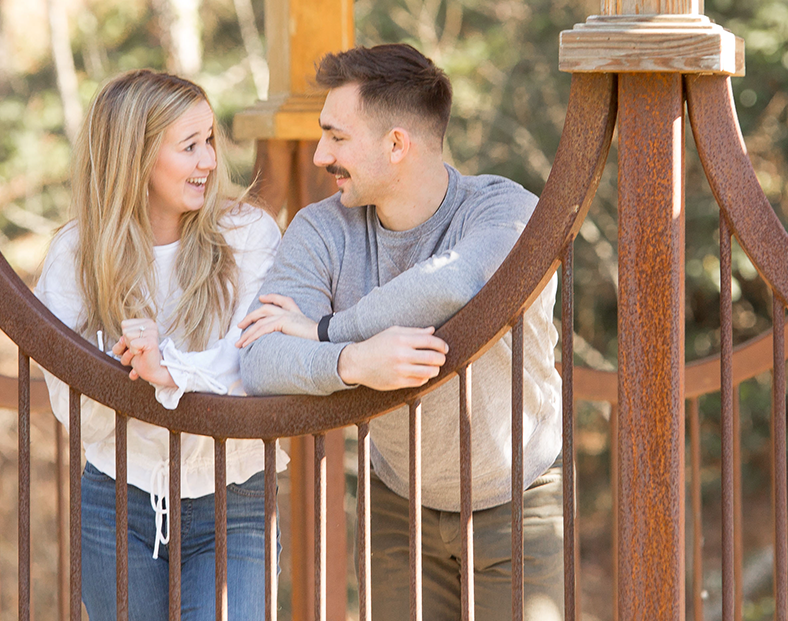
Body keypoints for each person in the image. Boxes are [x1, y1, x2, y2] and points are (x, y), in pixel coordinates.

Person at [236, 44, 563, 620]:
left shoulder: (506, 210)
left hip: (521, 498)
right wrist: (352, 363)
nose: (319, 155)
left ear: (396, 144)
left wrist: (329, 329)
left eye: (337, 137)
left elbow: (454, 282)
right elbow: (261, 360)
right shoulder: (321, 229)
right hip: (397, 505)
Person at [35, 70, 287, 621]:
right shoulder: (75, 255)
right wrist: (124, 372)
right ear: (136, 157)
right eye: (190, 146)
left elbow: (260, 360)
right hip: (116, 502)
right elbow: (74, 409)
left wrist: (167, 370)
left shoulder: (248, 235)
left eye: (211, 142)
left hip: (233, 496)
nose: (211, 162)